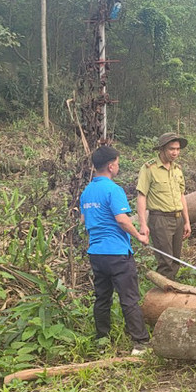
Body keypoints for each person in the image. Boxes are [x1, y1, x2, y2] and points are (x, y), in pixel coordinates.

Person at [80, 146, 151, 355]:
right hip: (117, 253)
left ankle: (102, 339)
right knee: (129, 297)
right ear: (111, 166)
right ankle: (140, 343)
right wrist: (139, 236)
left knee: (102, 297)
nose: (118, 166)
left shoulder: (87, 191)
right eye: (117, 163)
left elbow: (84, 219)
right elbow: (121, 219)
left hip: (96, 253)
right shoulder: (113, 190)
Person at [137, 132, 191, 280]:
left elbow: (181, 196)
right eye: (171, 149)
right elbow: (142, 196)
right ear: (162, 149)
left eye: (178, 149)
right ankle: (164, 296)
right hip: (160, 220)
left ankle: (170, 290)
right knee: (165, 261)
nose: (175, 152)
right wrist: (143, 225)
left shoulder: (177, 169)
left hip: (177, 219)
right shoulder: (149, 169)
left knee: (175, 260)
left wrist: (186, 221)